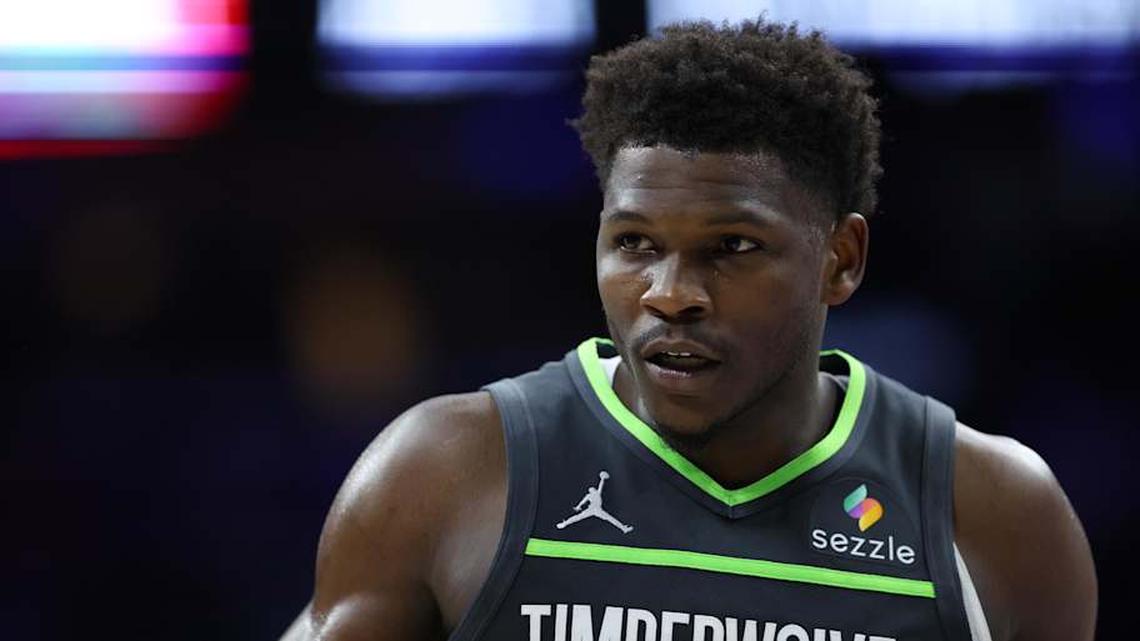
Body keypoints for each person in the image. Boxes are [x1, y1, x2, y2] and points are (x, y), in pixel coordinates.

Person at [280, 18, 1096, 641]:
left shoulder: (993, 512)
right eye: (634, 243)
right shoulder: (442, 474)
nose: (671, 294)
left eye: (732, 248)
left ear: (840, 260)